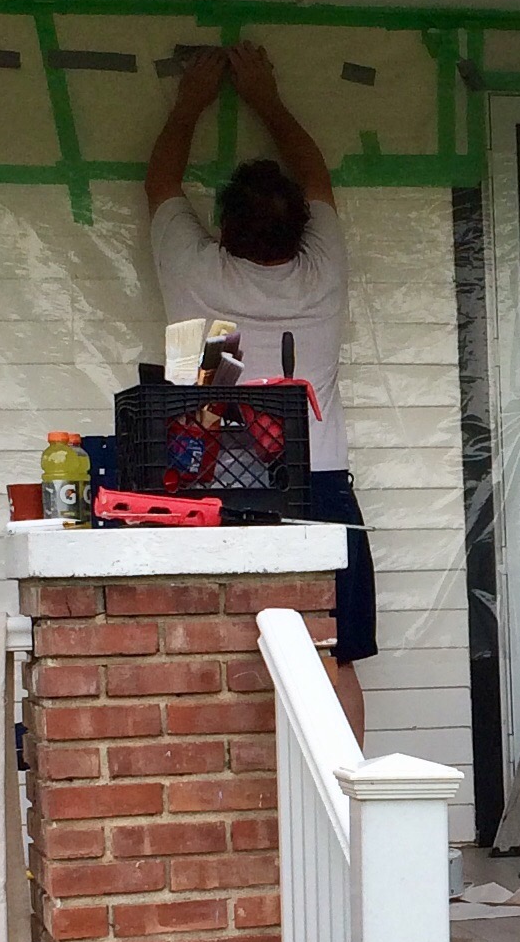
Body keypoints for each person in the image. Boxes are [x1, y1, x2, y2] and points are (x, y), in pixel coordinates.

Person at [144, 43, 372, 740]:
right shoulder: (323, 271)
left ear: (224, 229)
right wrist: (267, 99)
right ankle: (345, 799)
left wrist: (190, 103)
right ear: (301, 229)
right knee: (333, 654)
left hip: (218, 490)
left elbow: (161, 183)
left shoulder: (196, 272)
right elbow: (317, 178)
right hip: (319, 486)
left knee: (222, 651)